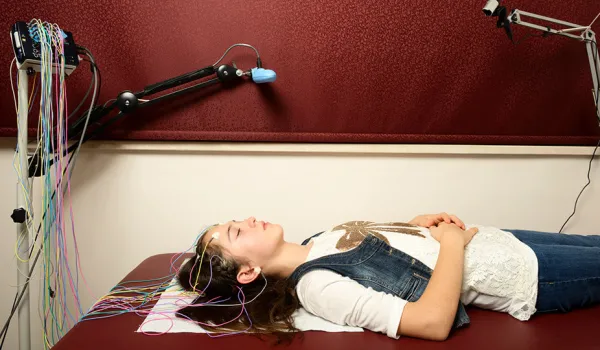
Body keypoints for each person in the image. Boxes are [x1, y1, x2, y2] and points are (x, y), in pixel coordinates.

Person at [176, 214, 600, 341]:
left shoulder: (317, 238)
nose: (249, 219)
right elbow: (431, 322)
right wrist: (451, 245)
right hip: (524, 274)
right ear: (247, 271)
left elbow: (389, 260)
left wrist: (414, 224)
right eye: (237, 232)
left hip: (503, 238)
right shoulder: (315, 285)